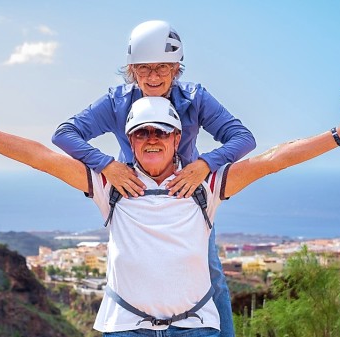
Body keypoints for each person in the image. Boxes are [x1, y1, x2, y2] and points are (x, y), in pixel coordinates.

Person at [0, 83, 340, 336]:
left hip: (197, 329)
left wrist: (339, 136)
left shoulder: (204, 184)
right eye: (142, 133)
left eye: (161, 133)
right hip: (125, 329)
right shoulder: (110, 184)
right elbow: (39, 155)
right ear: (129, 140)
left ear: (176, 139)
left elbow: (272, 159)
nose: (151, 140)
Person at [52, 20, 256, 335]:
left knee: (211, 274)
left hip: (186, 200)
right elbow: (64, 134)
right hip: (134, 196)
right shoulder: (116, 101)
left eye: (163, 68)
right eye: (144, 69)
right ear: (131, 70)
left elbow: (242, 138)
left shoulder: (195, 98)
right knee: (129, 271)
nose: (153, 77)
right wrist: (106, 164)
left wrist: (205, 164)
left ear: (176, 68)